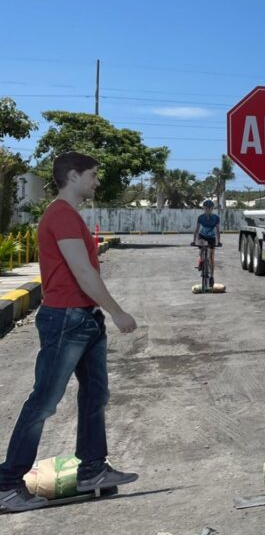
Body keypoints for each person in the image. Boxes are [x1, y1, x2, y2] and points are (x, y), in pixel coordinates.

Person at [0, 152, 139, 512]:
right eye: (92, 175)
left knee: (96, 395)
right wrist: (117, 311)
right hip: (66, 318)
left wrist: (99, 313)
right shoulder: (61, 215)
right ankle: (8, 485)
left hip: (84, 319)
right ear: (74, 176)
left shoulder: (70, 216)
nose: (96, 182)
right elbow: (83, 272)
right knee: (44, 401)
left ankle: (92, 470)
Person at [191, 199, 222, 282]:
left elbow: (218, 231)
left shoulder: (216, 218)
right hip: (203, 236)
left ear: (212, 209)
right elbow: (196, 230)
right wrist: (194, 241)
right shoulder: (200, 218)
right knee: (201, 244)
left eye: (210, 208)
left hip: (212, 237)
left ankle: (212, 276)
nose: (208, 210)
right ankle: (201, 260)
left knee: (211, 257)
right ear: (204, 208)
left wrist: (218, 242)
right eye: (206, 208)